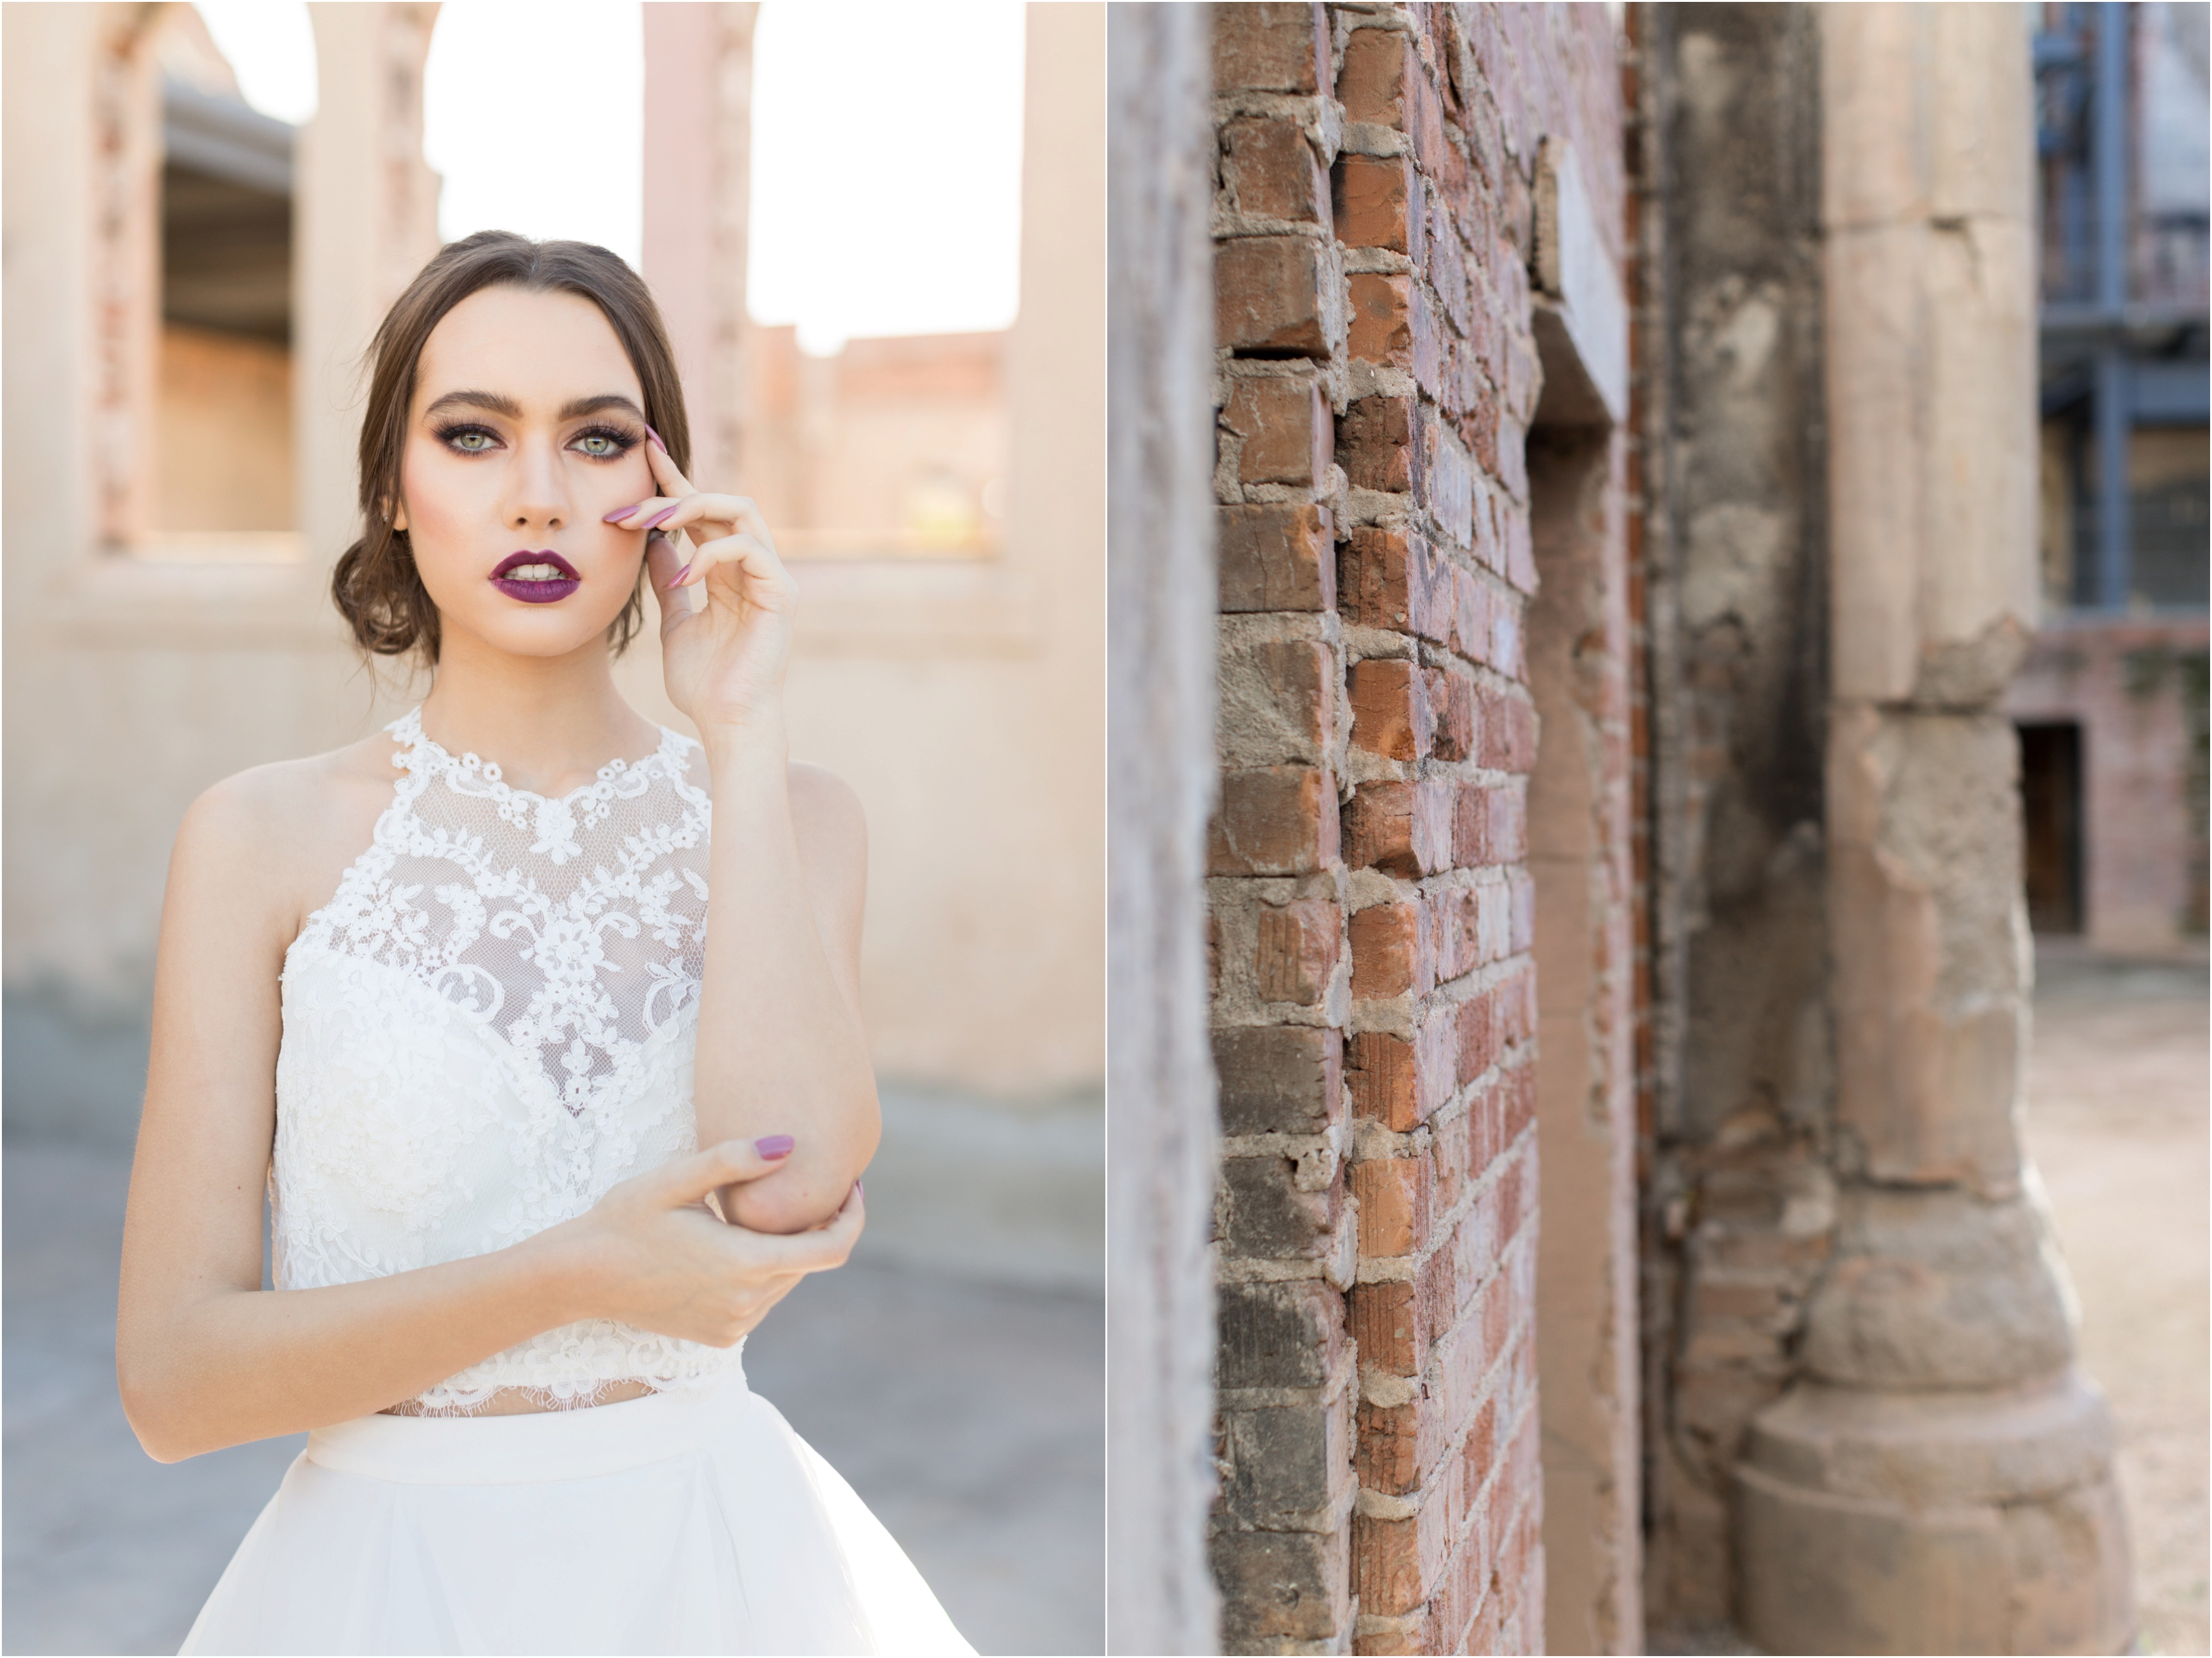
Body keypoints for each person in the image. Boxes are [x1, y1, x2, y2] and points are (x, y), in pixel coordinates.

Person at [114, 231, 973, 1655]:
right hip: (387, 1590)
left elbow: (790, 1193)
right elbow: (171, 1380)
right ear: (395, 486)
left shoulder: (797, 818)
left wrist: (741, 733)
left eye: (595, 439)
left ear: (662, 490)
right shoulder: (257, 839)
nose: (537, 497)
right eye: (472, 436)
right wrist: (572, 1272)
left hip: (722, 1573)